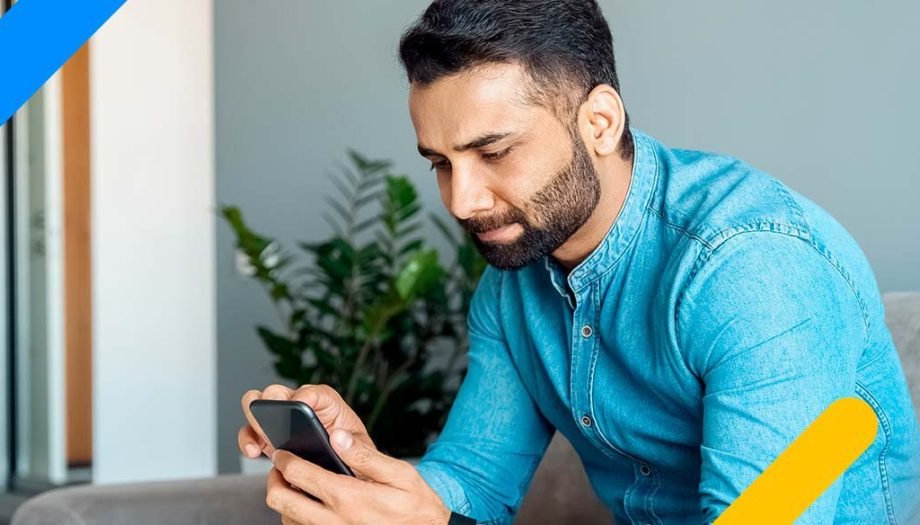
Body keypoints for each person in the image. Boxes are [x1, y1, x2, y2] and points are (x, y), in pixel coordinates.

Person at [238, 1, 920, 523]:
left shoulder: (750, 270)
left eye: (494, 152)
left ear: (599, 123)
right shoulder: (512, 286)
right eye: (441, 164)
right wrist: (361, 469)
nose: (464, 200)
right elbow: (474, 482)